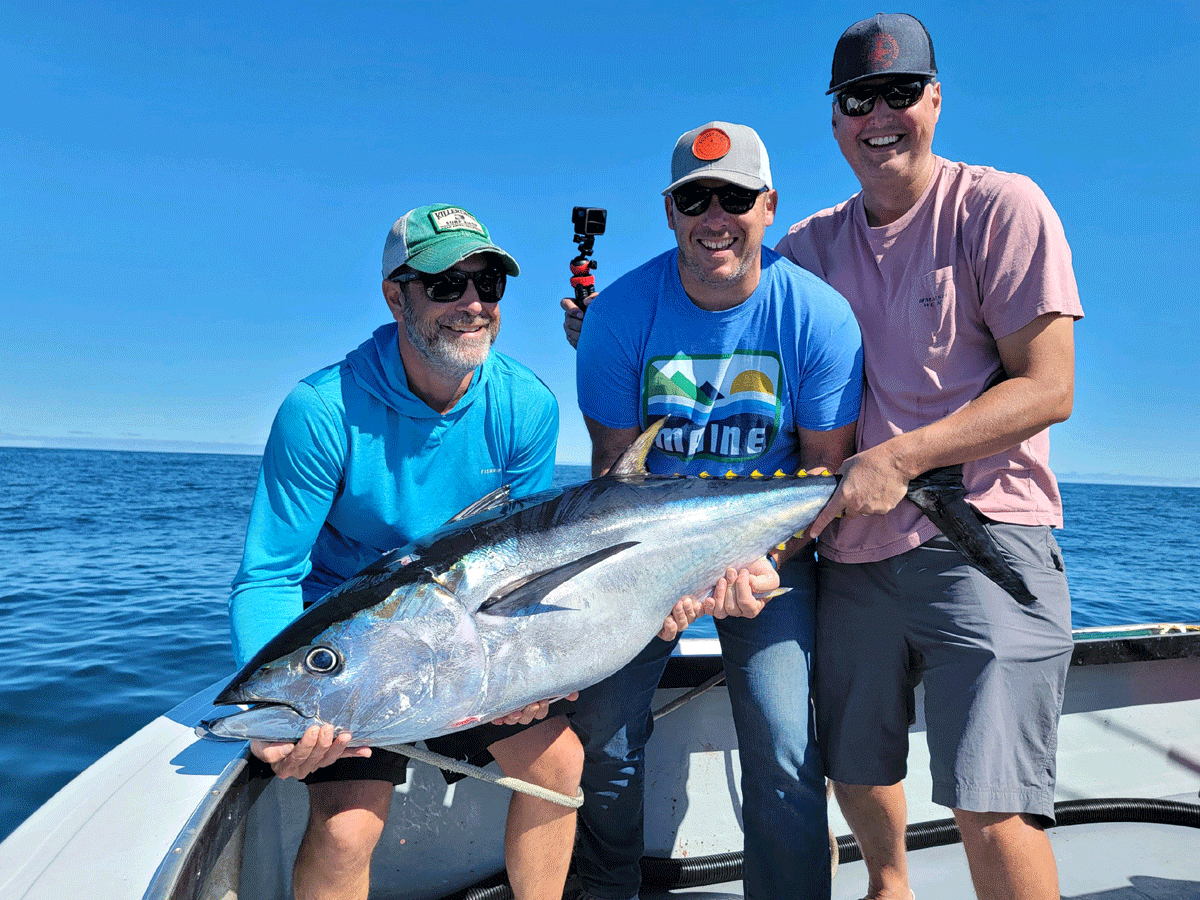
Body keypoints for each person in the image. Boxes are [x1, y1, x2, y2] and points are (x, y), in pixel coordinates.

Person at [776, 14, 1083, 900]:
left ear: (935, 99)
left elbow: (1048, 387)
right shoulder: (805, 248)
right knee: (855, 764)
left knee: (994, 803)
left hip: (985, 539)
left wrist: (901, 459)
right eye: (858, 99)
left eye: (899, 92)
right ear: (835, 122)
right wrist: (603, 324)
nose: (881, 115)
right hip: (852, 555)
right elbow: (719, 295)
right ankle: (891, 886)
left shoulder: (1000, 206)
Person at [228, 204, 583, 900]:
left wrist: (530, 671)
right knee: (345, 828)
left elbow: (522, 565)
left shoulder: (527, 406)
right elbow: (270, 574)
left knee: (559, 766)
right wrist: (274, 705)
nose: (473, 303)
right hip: (357, 657)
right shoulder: (321, 410)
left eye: (488, 282)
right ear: (396, 296)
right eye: (445, 284)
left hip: (467, 642)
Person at [568, 122, 863, 900]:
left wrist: (764, 564)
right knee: (603, 735)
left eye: (734, 196)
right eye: (694, 198)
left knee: (785, 745)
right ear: (670, 212)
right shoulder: (618, 315)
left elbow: (825, 478)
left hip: (768, 558)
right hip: (641, 559)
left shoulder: (821, 318)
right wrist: (655, 587)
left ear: (768, 207)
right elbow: (613, 475)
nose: (714, 215)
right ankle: (607, 890)